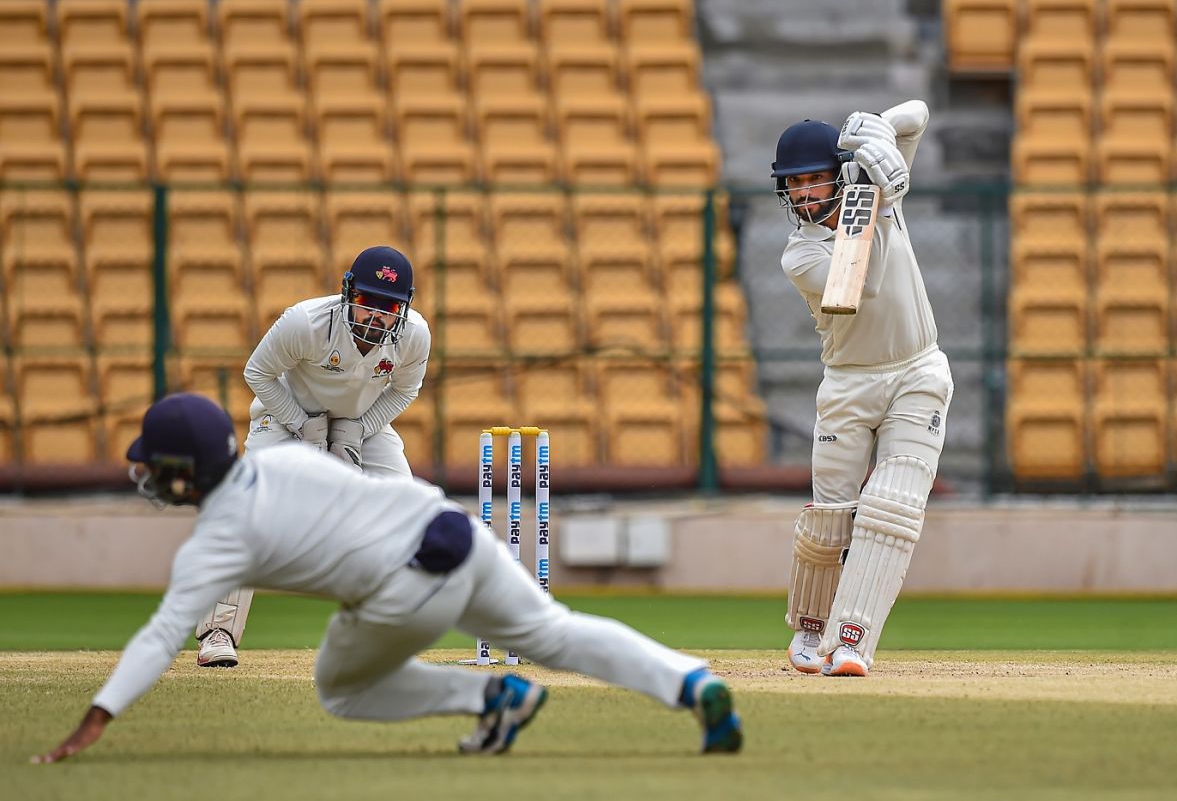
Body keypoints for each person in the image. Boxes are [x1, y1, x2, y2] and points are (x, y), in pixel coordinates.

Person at [32, 394, 742, 764]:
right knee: (556, 632)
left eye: (159, 468)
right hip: (458, 532)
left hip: (407, 584)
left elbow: (160, 637)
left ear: (185, 472)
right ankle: (692, 683)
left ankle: (493, 694)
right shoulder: (279, 460)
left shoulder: (216, 539)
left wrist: (98, 715)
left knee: (340, 690)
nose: (152, 479)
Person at [771, 101, 953, 677]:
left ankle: (852, 639)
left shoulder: (873, 182)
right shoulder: (800, 254)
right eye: (793, 184)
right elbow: (862, 283)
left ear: (837, 171)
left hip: (917, 369)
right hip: (848, 385)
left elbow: (919, 115)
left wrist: (876, 126)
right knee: (831, 521)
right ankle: (810, 625)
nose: (802, 194)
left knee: (892, 508)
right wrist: (879, 197)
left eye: (812, 178)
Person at [195, 245, 431, 669]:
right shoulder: (305, 323)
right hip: (285, 417)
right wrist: (303, 425)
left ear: (405, 307)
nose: (378, 316)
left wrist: (357, 431)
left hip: (362, 423)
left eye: (390, 307)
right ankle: (218, 631)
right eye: (367, 302)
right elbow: (257, 374)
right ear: (347, 295)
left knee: (406, 509)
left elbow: (405, 390)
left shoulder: (414, 335)